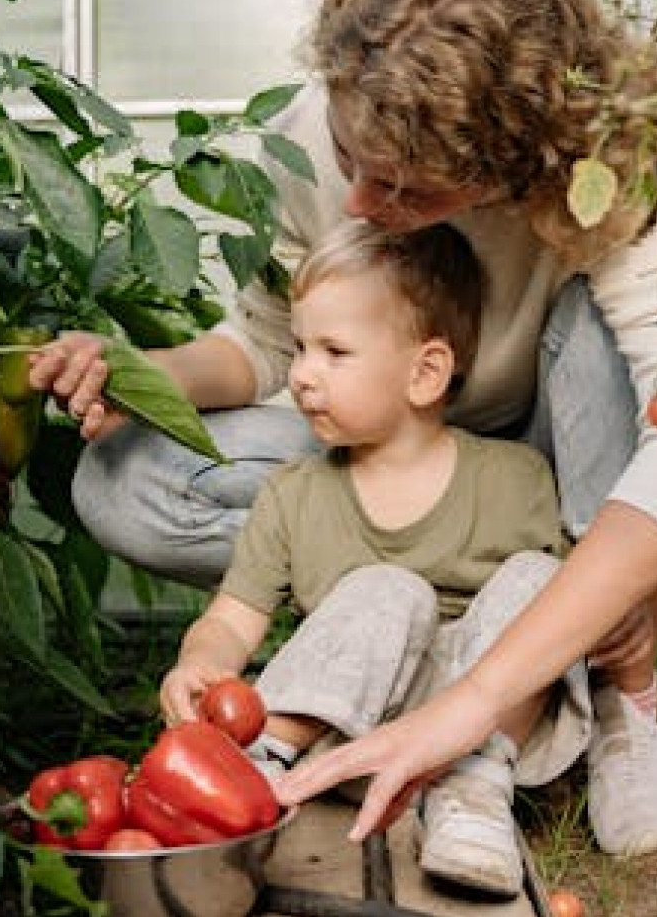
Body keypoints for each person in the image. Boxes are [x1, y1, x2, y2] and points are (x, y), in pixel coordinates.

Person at [28, 0, 657, 855]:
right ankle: (407, 633)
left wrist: (475, 703)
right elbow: (264, 344)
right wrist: (142, 377)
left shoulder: (627, 167)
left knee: (632, 370)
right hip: (395, 447)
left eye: (412, 193)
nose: (364, 209)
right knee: (125, 479)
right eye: (351, 164)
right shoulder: (320, 131)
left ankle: (614, 698)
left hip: (554, 472)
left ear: (515, 170)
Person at [158, 219, 588, 896]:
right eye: (300, 347)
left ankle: (472, 794)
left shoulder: (516, 479)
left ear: (425, 373)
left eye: (333, 351)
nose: (300, 375)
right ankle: (267, 762)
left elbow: (569, 628)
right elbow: (232, 620)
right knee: (391, 589)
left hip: (467, 735)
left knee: (546, 581)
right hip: (342, 732)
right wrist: (199, 665)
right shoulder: (293, 494)